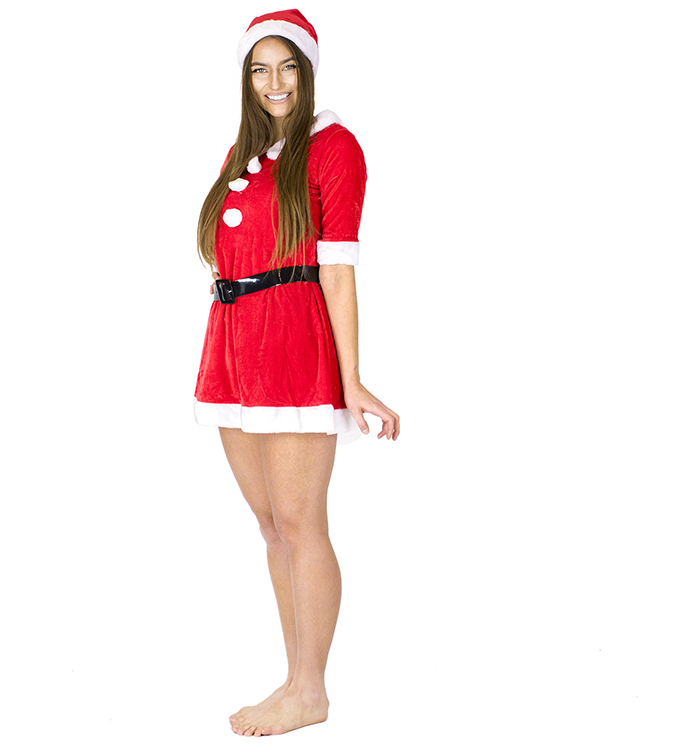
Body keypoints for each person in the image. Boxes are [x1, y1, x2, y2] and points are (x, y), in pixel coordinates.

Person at [192, 9, 399, 737]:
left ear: (307, 72)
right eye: (260, 69)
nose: (274, 82)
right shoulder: (243, 152)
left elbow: (338, 272)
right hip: (232, 347)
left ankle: (312, 689)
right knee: (271, 524)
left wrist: (353, 378)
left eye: (287, 67)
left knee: (303, 522)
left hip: (292, 345)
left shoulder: (334, 146)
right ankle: (292, 678)